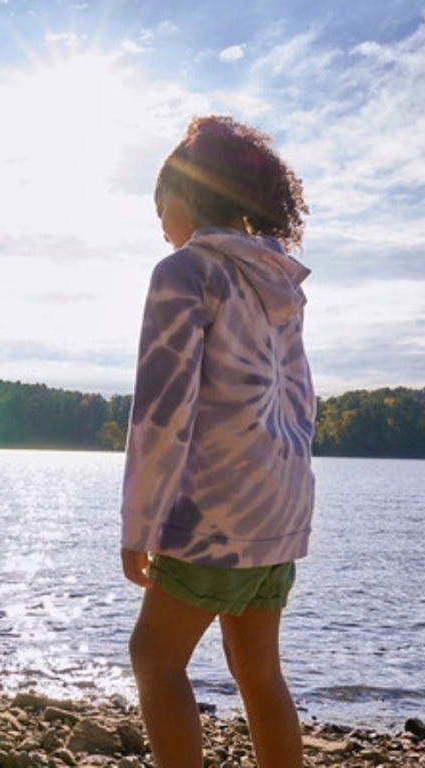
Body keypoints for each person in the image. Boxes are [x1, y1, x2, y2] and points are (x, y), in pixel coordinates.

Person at [119, 115, 314, 768]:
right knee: (258, 671)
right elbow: (298, 399)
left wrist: (140, 521)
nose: (160, 223)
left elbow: (161, 411)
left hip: (216, 505)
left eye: (160, 205)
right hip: (278, 502)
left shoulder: (184, 271)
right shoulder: (277, 281)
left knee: (154, 656)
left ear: (188, 192)